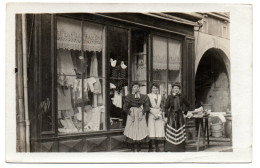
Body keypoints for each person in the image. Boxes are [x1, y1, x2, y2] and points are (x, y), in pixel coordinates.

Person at [123, 82, 150, 152]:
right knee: (131, 129)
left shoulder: (144, 96)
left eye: (137, 87)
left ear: (139, 88)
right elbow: (125, 107)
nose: (136, 88)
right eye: (135, 87)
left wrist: (142, 112)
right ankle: (132, 146)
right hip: (131, 114)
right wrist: (130, 113)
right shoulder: (129, 96)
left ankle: (139, 146)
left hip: (140, 114)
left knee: (140, 129)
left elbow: (147, 107)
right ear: (132, 88)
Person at [164, 82, 190, 152]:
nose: (176, 89)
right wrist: (166, 116)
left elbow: (188, 104)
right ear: (172, 89)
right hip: (171, 115)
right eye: (174, 88)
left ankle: (180, 148)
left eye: (177, 88)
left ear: (179, 89)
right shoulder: (169, 97)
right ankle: (170, 148)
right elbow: (166, 107)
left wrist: (185, 113)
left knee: (180, 130)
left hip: (179, 115)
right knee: (171, 129)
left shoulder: (182, 96)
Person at [147, 83, 166, 152]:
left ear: (158, 89)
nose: (155, 89)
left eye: (156, 88)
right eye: (153, 88)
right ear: (151, 89)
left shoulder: (161, 96)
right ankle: (150, 146)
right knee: (151, 130)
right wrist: (153, 114)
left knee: (158, 130)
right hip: (151, 113)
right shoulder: (148, 96)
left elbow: (163, 106)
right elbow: (147, 106)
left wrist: (159, 114)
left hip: (159, 114)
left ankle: (157, 146)